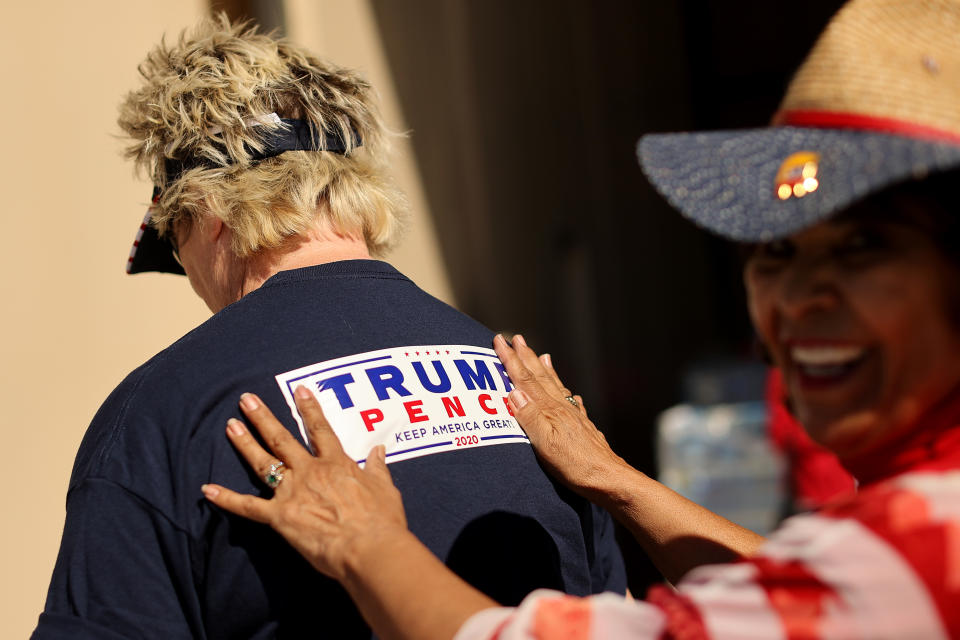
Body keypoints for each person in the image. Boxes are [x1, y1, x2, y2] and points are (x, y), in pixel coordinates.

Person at [198, 0, 960, 638]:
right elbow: (799, 590)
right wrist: (611, 479)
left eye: (864, 248)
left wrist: (364, 543)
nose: (799, 298)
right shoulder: (898, 524)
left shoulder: (921, 538)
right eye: (777, 253)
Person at [32, 15, 627, 639]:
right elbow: (609, 615)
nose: (189, 275)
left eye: (174, 244)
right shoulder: (535, 391)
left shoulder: (159, 413)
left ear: (209, 215)